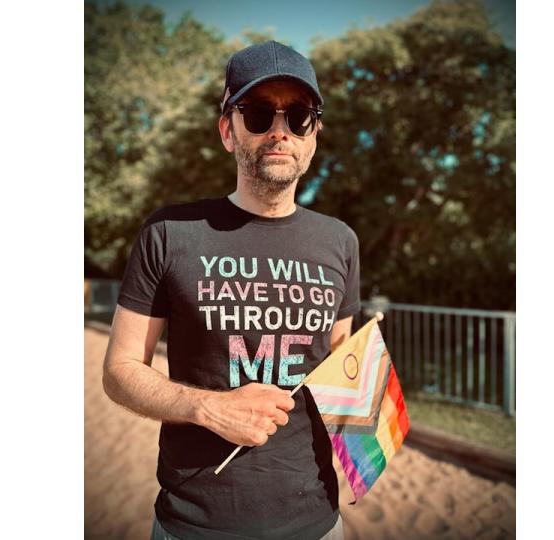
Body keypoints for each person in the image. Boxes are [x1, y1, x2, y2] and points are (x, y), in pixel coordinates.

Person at [102, 41, 360, 540]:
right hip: (194, 525)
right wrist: (209, 408)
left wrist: (371, 428)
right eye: (259, 113)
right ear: (228, 130)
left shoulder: (341, 241)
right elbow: (119, 371)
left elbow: (340, 357)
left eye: (299, 116)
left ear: (314, 136)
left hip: (317, 522)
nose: (280, 131)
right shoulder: (170, 233)